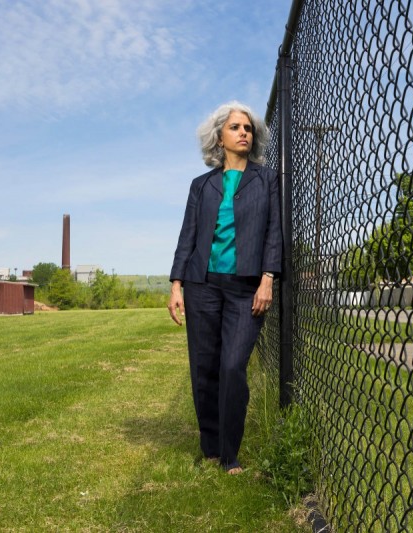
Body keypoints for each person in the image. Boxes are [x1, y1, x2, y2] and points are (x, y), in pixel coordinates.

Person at [168, 101, 281, 474]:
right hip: (202, 285)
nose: (243, 132)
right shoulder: (201, 186)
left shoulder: (266, 179)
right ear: (220, 137)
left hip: (246, 287)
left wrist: (268, 279)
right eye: (235, 127)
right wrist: (176, 284)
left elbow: (273, 234)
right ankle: (212, 447)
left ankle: (232, 454)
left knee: (233, 366)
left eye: (247, 128)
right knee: (204, 367)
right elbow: (187, 237)